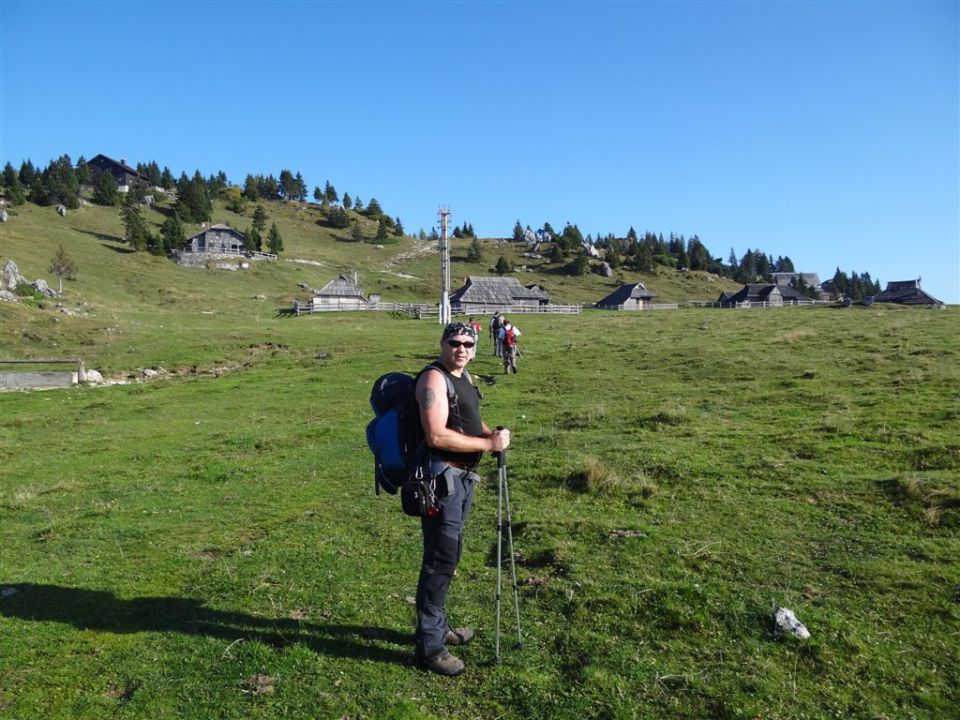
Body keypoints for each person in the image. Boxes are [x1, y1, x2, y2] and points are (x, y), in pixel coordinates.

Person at [413, 322, 511, 676]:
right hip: (441, 480)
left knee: (448, 557)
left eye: (468, 344)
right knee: (440, 560)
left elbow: (471, 422)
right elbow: (436, 434)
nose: (461, 349)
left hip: (462, 480)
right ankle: (430, 648)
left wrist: (491, 434)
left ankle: (438, 629)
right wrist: (488, 446)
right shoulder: (433, 379)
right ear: (442, 344)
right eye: (454, 342)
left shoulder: (465, 378)